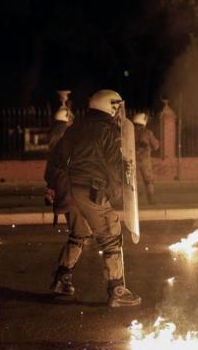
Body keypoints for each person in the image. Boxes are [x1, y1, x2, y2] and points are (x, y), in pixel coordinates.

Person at [45, 89, 141, 307]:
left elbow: (55, 159)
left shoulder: (75, 128)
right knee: (111, 234)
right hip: (90, 190)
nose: (118, 111)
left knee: (79, 233)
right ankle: (117, 290)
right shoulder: (108, 131)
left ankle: (61, 279)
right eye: (115, 106)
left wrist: (53, 187)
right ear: (109, 106)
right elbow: (115, 166)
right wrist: (116, 191)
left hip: (67, 190)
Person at [132, 112, 160, 204]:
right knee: (148, 180)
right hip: (144, 160)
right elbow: (156, 146)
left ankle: (131, 200)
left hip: (132, 160)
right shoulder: (147, 133)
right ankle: (150, 199)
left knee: (130, 180)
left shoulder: (129, 132)